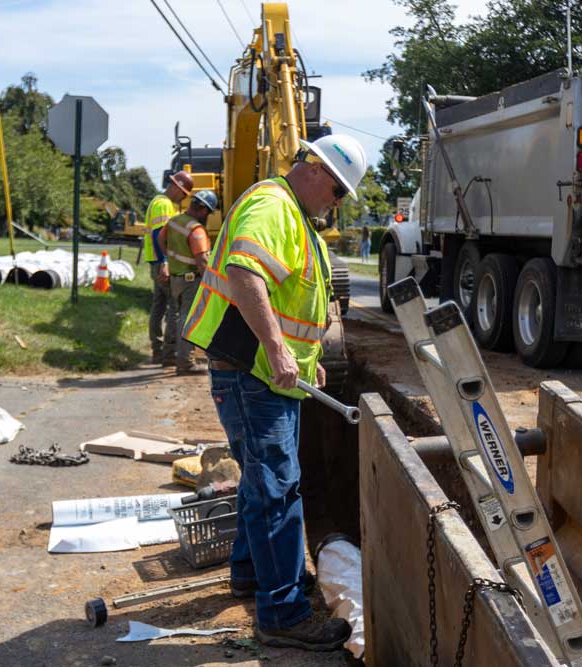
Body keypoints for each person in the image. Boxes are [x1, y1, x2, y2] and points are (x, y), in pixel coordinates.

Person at [181, 134, 366, 651]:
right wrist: (280, 352)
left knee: (261, 482)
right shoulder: (273, 204)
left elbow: (295, 302)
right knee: (278, 489)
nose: (337, 202)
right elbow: (244, 275)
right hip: (252, 372)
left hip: (266, 374)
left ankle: (249, 571)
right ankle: (282, 611)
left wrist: (304, 361)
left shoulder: (300, 220)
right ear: (313, 169)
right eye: (337, 190)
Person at [158, 189, 217, 375]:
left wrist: (171, 261)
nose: (206, 216)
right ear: (202, 209)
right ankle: (185, 363)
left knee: (175, 316)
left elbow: (161, 241)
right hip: (191, 280)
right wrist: (213, 284)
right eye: (207, 212)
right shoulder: (196, 230)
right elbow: (202, 261)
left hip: (176, 278)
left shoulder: (173, 222)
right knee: (188, 319)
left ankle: (168, 356)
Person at [143, 170, 193, 365]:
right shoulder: (164, 204)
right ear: (175, 187)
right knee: (175, 306)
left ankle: (157, 350)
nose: (183, 198)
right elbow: (159, 235)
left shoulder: (157, 201)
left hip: (155, 261)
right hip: (161, 262)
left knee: (159, 305)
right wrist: (165, 262)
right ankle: (169, 353)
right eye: (183, 193)